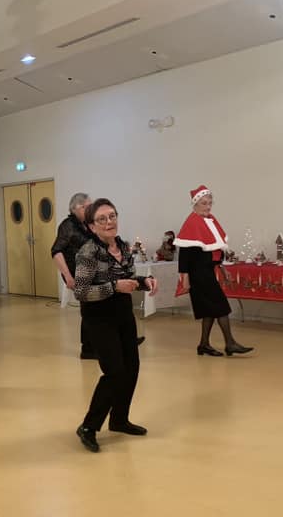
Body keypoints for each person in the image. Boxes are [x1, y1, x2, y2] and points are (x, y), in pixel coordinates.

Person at [73, 199, 158, 453]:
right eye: (102, 219)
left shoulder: (122, 246)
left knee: (132, 367)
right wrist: (114, 287)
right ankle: (88, 426)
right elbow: (81, 291)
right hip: (99, 317)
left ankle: (119, 419)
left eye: (112, 216)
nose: (109, 222)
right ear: (91, 226)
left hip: (123, 313)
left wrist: (144, 281)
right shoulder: (88, 252)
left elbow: (127, 279)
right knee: (114, 372)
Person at [175, 185, 253, 357]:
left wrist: (223, 268)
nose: (208, 207)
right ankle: (230, 343)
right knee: (221, 306)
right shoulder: (192, 223)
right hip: (198, 274)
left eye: (210, 203)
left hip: (207, 272)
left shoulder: (210, 221)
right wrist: (184, 279)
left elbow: (215, 250)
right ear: (195, 204)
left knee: (209, 309)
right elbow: (184, 255)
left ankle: (203, 344)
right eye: (204, 203)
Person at [51, 192, 96, 359]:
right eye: (87, 207)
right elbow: (56, 251)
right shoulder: (68, 225)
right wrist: (68, 277)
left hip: (92, 270)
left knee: (98, 307)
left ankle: (116, 341)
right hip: (76, 273)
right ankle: (88, 349)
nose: (91, 210)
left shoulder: (87, 225)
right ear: (76, 208)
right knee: (90, 309)